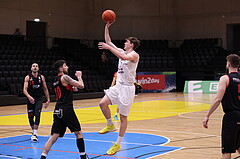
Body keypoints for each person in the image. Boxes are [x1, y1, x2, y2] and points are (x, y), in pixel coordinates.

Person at [98, 22, 140, 155]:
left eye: (126, 42)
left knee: (123, 117)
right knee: (102, 103)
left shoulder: (134, 55)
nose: (124, 43)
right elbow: (108, 41)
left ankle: (118, 144)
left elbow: (123, 57)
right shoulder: (122, 50)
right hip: (118, 86)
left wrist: (109, 49)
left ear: (131, 44)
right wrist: (106, 27)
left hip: (127, 89)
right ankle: (110, 124)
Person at [40, 60, 88, 159]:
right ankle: (83, 157)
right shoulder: (65, 77)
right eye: (65, 66)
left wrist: (72, 87)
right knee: (78, 133)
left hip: (57, 109)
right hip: (66, 109)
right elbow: (82, 85)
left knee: (54, 136)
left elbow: (66, 89)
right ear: (61, 68)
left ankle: (43, 157)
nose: (67, 67)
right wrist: (79, 76)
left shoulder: (55, 80)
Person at [202, 54, 240, 159]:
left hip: (231, 116)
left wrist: (207, 115)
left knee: (227, 150)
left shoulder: (225, 78)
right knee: (238, 146)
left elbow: (218, 99)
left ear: (228, 64)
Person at [23, 63, 50, 142]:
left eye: (36, 66)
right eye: (33, 66)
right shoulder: (28, 77)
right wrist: (29, 97)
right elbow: (24, 90)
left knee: (37, 114)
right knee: (30, 116)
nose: (35, 67)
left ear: (38, 68)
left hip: (39, 99)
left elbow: (45, 89)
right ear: (31, 68)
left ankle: (35, 133)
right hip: (30, 99)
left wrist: (48, 99)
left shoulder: (41, 77)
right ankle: (33, 132)